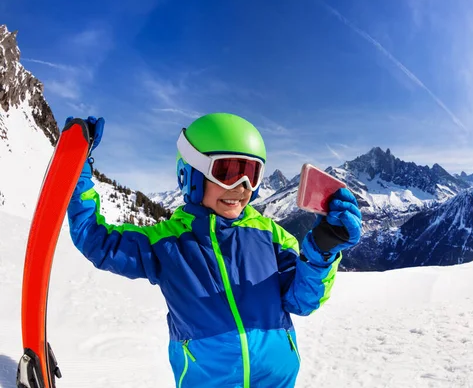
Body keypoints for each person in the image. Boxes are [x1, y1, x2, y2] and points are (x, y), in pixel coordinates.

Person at [67, 113, 362, 388]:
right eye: (229, 171)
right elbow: (95, 240)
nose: (243, 187)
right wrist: (75, 173)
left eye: (252, 173)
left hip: (276, 380)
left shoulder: (271, 236)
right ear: (190, 174)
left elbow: (303, 301)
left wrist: (320, 253)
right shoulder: (166, 244)